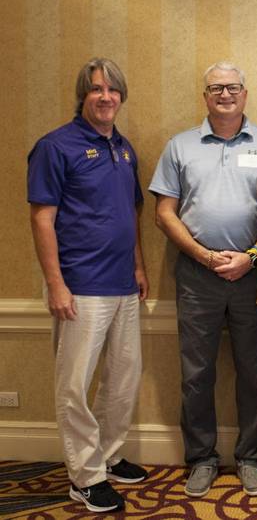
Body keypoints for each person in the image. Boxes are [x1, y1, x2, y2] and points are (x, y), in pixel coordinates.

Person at [149, 61, 257, 498]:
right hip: (196, 276)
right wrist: (204, 256)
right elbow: (164, 212)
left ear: (246, 94)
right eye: (216, 88)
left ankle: (251, 458)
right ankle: (202, 458)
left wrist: (253, 255)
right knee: (196, 373)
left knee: (255, 372)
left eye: (233, 87)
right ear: (204, 97)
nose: (225, 94)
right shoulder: (180, 146)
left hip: (253, 274)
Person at [28, 58, 149, 513]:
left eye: (113, 90)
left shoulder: (124, 147)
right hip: (79, 286)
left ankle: (109, 454)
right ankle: (84, 476)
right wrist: (55, 284)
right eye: (97, 89)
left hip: (122, 284)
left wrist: (138, 265)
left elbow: (130, 213)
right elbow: (42, 219)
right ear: (83, 95)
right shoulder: (55, 147)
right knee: (75, 386)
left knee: (123, 378)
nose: (106, 97)